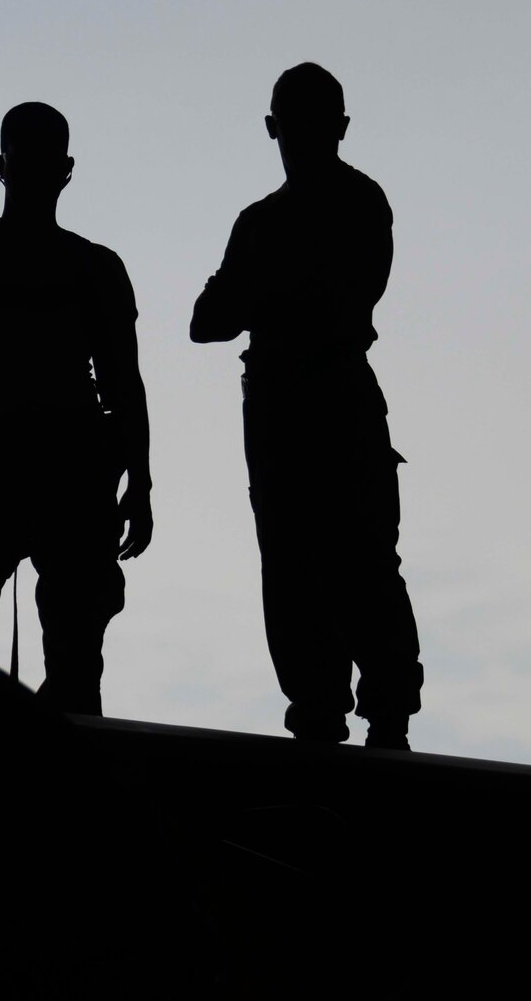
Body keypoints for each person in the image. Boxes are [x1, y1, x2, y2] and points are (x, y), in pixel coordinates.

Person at [191, 63, 423, 748]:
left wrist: (263, 294)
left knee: (357, 562)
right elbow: (207, 319)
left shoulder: (346, 206)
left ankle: (381, 711)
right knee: (298, 570)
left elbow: (339, 296)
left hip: (327, 403)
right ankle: (327, 713)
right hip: (287, 413)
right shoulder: (265, 221)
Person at [0, 102, 153, 715]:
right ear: (66, 170)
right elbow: (126, 388)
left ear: (0, 166)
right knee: (67, 666)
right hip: (59, 474)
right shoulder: (95, 268)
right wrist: (140, 483)